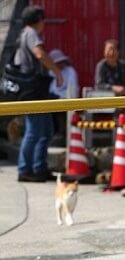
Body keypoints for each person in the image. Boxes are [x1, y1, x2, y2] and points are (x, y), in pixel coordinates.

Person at [15, 5, 63, 183]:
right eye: (42, 19)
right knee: (34, 131)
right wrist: (57, 71)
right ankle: (25, 169)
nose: (44, 23)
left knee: (46, 131)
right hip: (33, 91)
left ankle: (39, 167)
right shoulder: (31, 33)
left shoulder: (24, 34)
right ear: (37, 20)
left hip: (38, 90)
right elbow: (39, 54)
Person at [48, 49, 79, 141]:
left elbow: (73, 87)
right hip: (53, 99)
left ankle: (62, 133)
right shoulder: (50, 72)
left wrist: (62, 97)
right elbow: (52, 89)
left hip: (68, 98)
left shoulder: (70, 71)